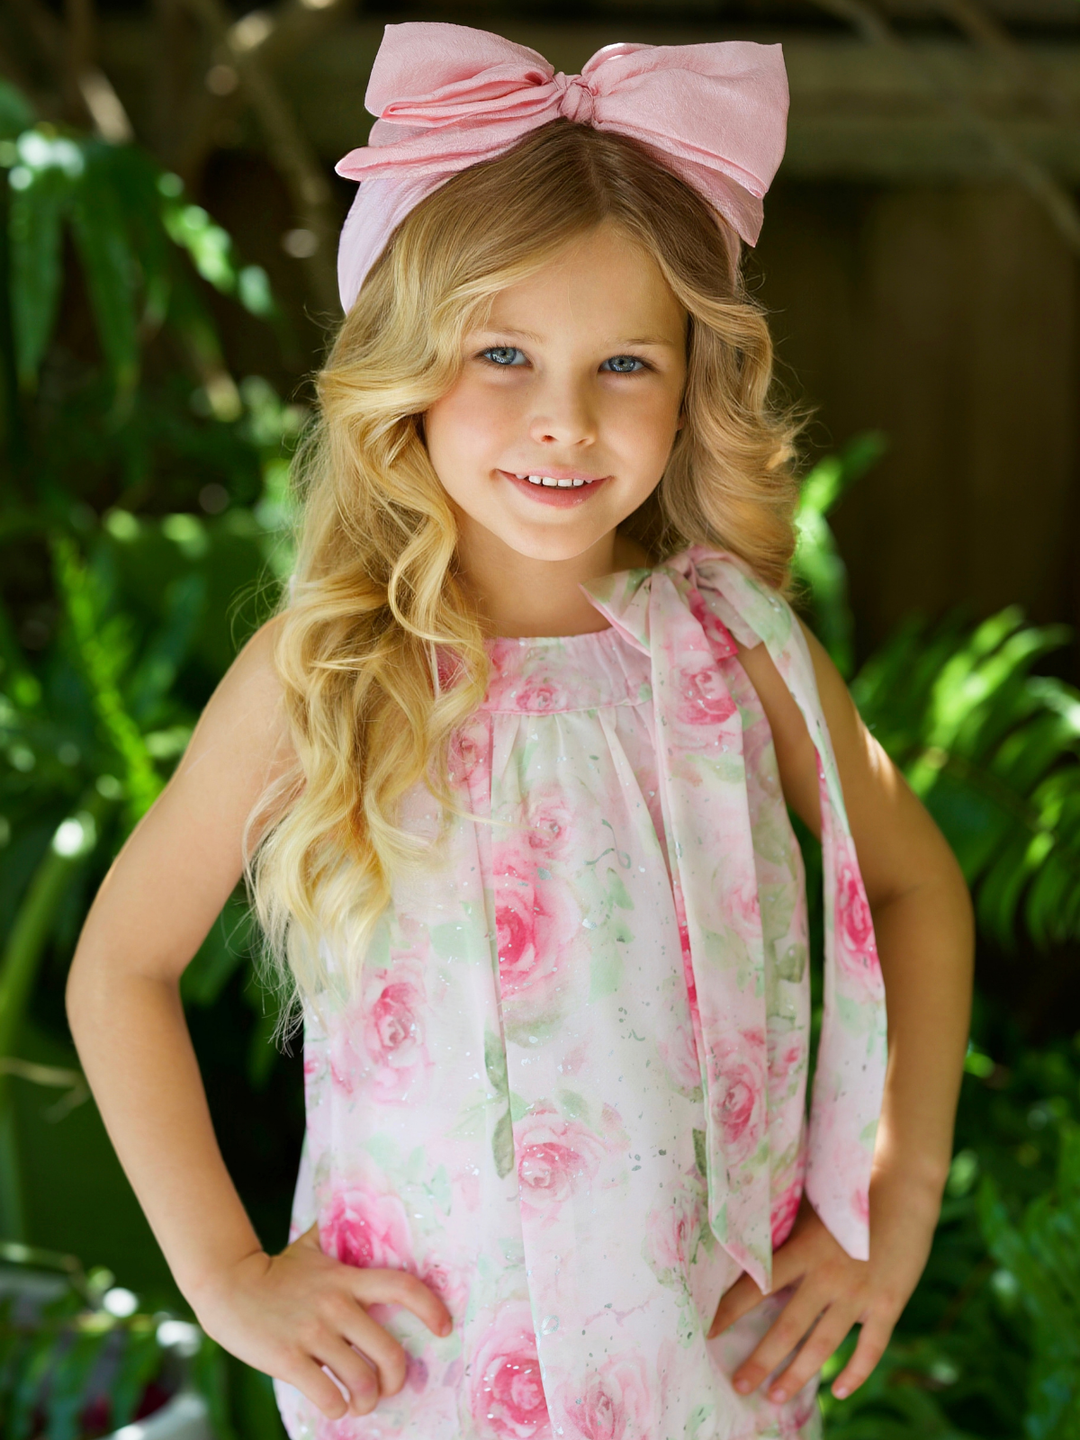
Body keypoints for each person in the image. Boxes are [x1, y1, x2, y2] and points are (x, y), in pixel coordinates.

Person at [66, 21, 975, 1440]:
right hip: (424, 1374)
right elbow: (120, 966)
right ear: (409, 367)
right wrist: (229, 1277)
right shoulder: (330, 668)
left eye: (626, 364)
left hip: (707, 1376)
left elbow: (915, 887)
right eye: (503, 352)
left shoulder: (737, 647)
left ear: (692, 381)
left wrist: (893, 1202)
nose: (565, 420)